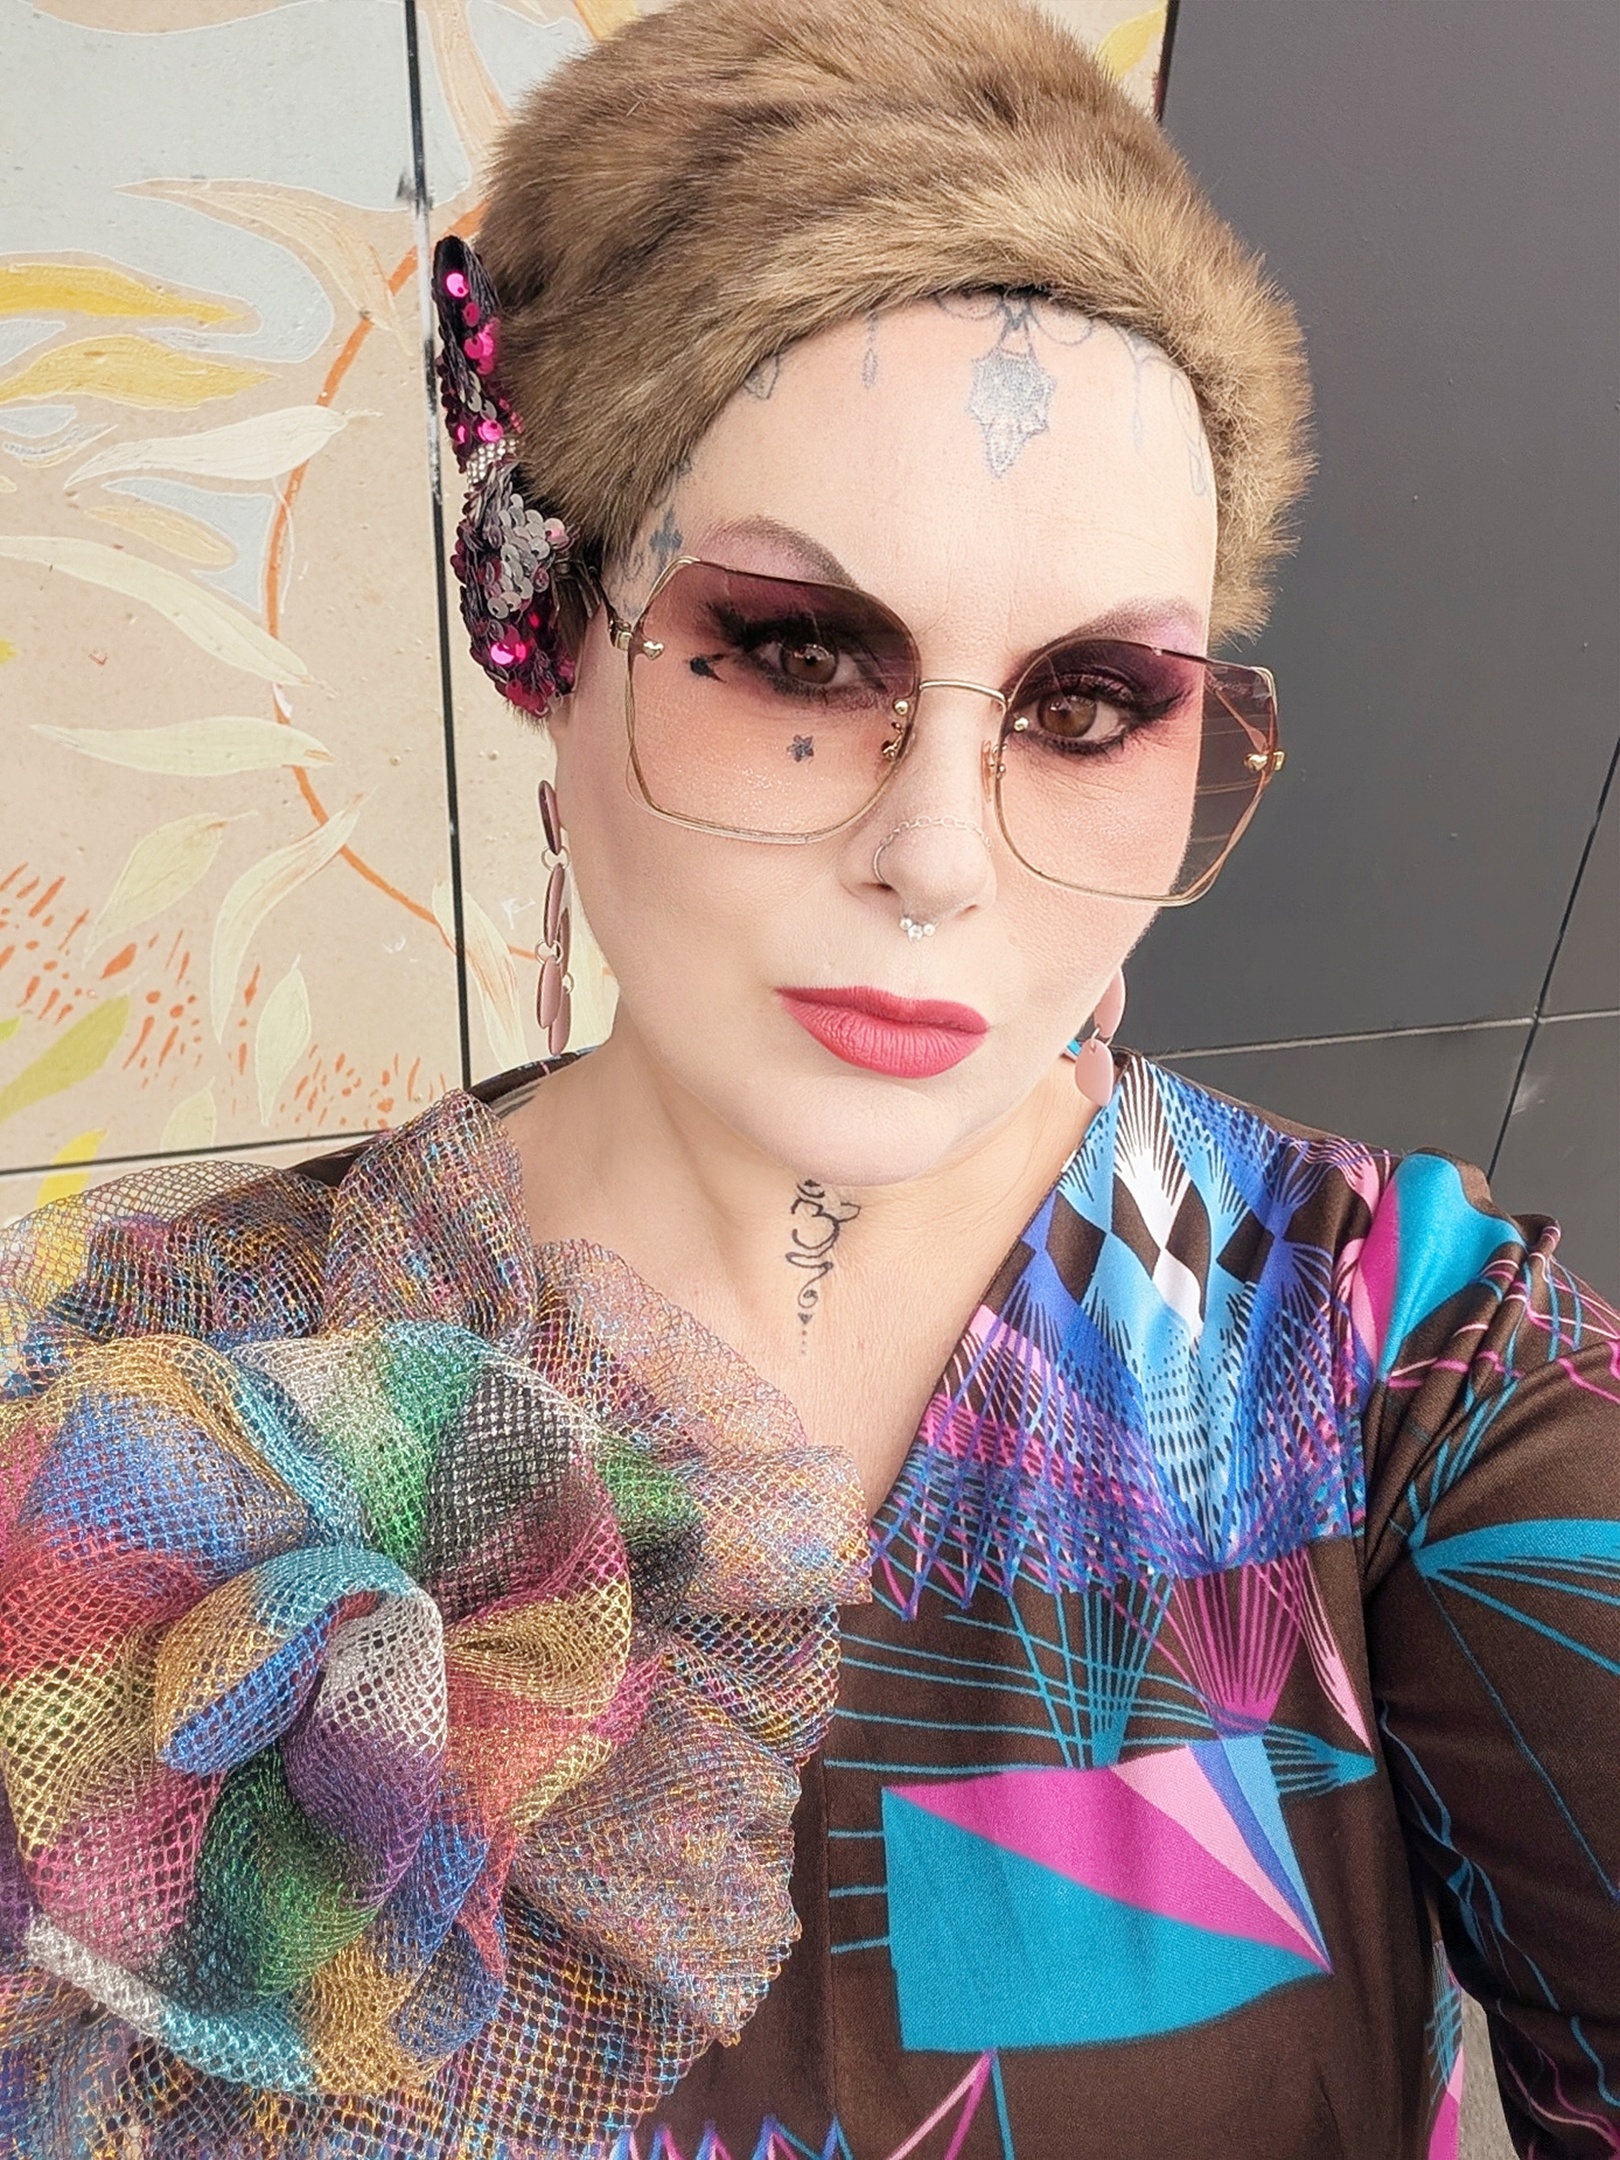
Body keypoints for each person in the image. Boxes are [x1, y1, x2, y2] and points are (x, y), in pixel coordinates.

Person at [0, 2, 1614, 2155]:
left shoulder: (1404, 1370)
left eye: (1090, 703)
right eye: (797, 653)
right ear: (540, 629)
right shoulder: (171, 1377)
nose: (938, 858)